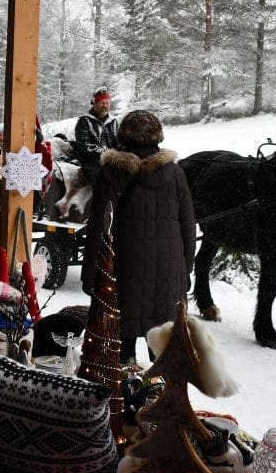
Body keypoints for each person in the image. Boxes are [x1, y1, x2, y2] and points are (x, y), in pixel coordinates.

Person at [80, 109, 195, 365]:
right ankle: (160, 396)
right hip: (168, 271)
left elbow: (99, 227)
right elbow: (188, 226)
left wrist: (90, 275)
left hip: (126, 269)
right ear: (157, 137)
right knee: (163, 350)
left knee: (122, 349)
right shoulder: (175, 174)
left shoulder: (112, 173)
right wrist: (185, 270)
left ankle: (127, 395)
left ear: (124, 137)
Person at [73, 86, 119, 184]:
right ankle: (101, 198)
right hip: (91, 159)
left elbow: (118, 142)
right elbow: (84, 146)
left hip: (112, 159)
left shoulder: (113, 122)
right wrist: (106, 153)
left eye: (107, 103)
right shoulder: (84, 121)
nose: (105, 106)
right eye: (102, 103)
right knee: (101, 177)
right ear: (95, 104)